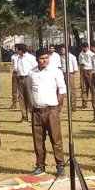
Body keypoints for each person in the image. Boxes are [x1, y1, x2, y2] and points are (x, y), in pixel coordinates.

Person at [27, 48, 67, 176]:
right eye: (42, 58)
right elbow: (28, 90)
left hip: (51, 110)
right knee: (38, 141)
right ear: (36, 59)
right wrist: (31, 107)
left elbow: (62, 90)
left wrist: (58, 107)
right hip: (37, 111)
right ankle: (40, 166)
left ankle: (60, 166)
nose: (45, 61)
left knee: (56, 140)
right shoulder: (31, 73)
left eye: (46, 58)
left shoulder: (55, 71)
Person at [12, 44, 37, 123]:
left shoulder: (30, 58)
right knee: (21, 98)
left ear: (21, 50)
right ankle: (24, 116)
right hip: (20, 78)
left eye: (18, 50)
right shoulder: (18, 58)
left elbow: (35, 68)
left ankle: (33, 116)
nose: (16, 51)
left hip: (28, 78)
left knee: (30, 98)